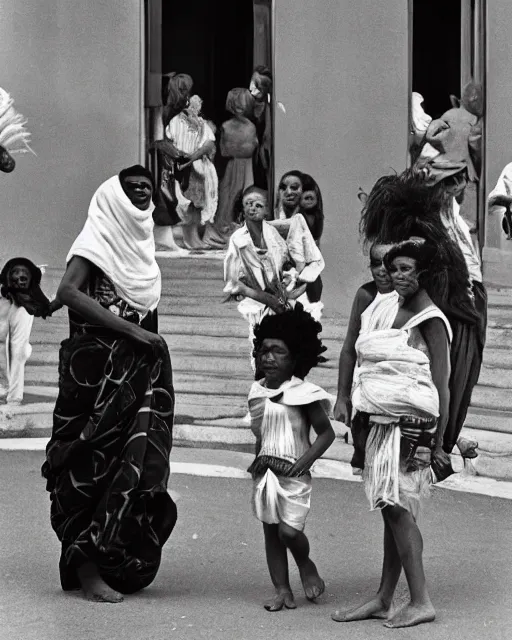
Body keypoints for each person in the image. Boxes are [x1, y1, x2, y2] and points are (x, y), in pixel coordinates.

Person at [41, 166, 177, 603]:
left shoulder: (140, 250)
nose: (141, 193)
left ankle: (112, 552)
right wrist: (135, 334)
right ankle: (84, 567)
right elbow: (68, 291)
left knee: (133, 463)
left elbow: (145, 316)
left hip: (134, 374)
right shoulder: (95, 240)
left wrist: (147, 350)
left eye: (147, 188)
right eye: (132, 187)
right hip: (93, 377)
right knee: (88, 462)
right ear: (113, 196)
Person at [332, 239, 453, 629]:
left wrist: (437, 443)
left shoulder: (431, 319)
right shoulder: (388, 305)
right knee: (390, 508)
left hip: (413, 430)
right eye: (393, 268)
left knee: (399, 510)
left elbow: (441, 385)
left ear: (424, 274)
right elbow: (361, 351)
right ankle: (385, 597)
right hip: (381, 423)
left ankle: (421, 600)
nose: (396, 275)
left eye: (405, 269)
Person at [359, 170, 482, 458]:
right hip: (447, 313)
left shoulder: (419, 241)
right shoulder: (418, 233)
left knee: (443, 381)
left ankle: (441, 442)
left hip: (451, 313)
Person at [248, 304, 335, 611]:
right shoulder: (256, 392)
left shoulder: (305, 394)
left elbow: (326, 434)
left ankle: (305, 563)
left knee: (289, 531)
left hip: (295, 475)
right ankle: (282, 590)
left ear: (296, 357)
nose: (268, 357)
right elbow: (260, 432)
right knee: (271, 531)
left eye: (278, 351)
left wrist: (306, 461)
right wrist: (257, 466)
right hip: (266, 472)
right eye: (264, 350)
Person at [223, 186, 325, 369]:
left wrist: (290, 282)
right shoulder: (237, 240)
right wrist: (266, 299)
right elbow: (232, 282)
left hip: (282, 298)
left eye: (258, 205)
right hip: (256, 301)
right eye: (248, 204)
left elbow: (287, 262)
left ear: (266, 211)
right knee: (260, 348)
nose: (252, 208)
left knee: (286, 347)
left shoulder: (274, 235)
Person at [333, 242, 396, 470]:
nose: (381, 270)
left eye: (387, 264)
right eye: (375, 264)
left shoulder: (410, 299)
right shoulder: (366, 295)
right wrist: (342, 397)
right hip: (365, 393)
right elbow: (349, 349)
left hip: (395, 395)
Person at [165, 94, 223, 249]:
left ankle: (196, 237)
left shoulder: (202, 123)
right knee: (188, 204)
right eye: (193, 106)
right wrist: (185, 159)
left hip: (199, 167)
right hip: (185, 168)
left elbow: (209, 144)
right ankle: (189, 239)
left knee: (198, 204)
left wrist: (194, 157)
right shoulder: (176, 122)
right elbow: (170, 143)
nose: (196, 110)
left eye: (198, 107)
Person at [150, 72, 194, 253]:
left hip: (173, 162)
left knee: (172, 198)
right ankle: (164, 239)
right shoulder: (162, 111)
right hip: (164, 163)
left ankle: (166, 239)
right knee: (166, 198)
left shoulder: (178, 112)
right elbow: (158, 140)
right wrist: (179, 153)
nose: (186, 94)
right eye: (182, 90)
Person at [216, 88, 258, 236]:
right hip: (232, 166)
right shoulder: (226, 126)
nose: (239, 108)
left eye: (242, 104)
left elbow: (252, 148)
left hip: (246, 166)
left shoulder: (251, 127)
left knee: (244, 195)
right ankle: (225, 226)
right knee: (227, 195)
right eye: (236, 104)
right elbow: (223, 151)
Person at [249, 66, 273, 196]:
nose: (251, 87)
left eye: (256, 85)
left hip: (261, 154)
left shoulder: (267, 108)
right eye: (252, 82)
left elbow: (266, 135)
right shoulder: (249, 104)